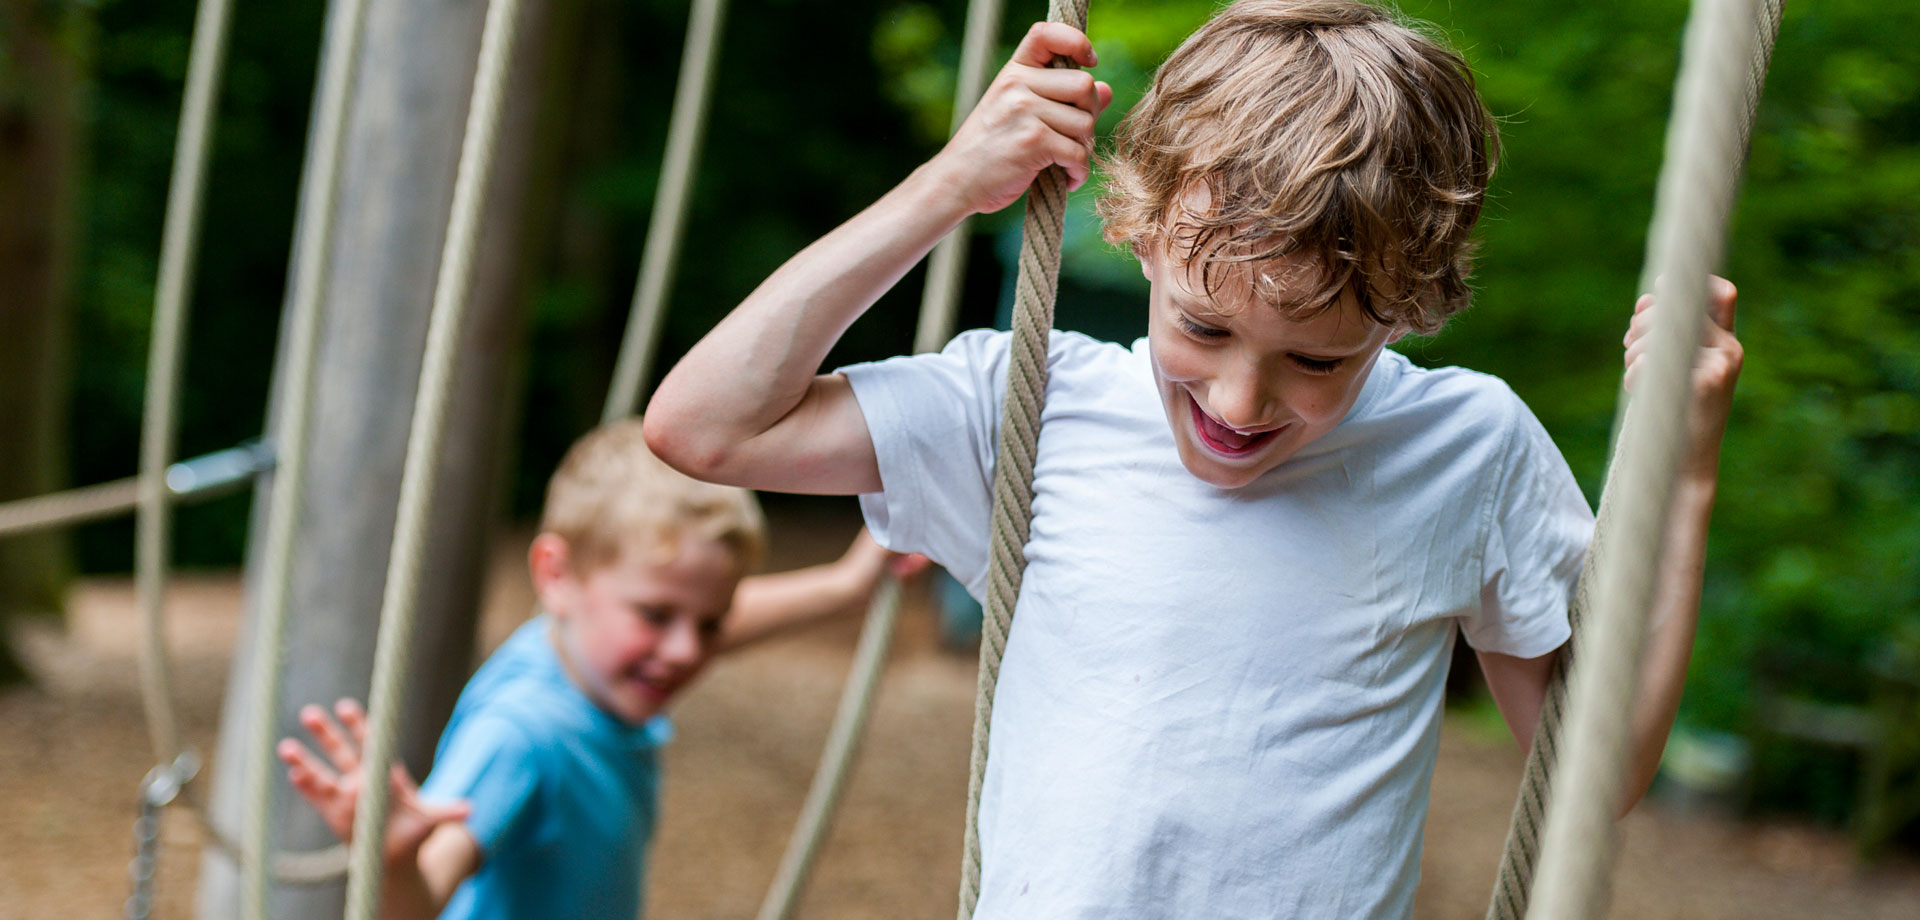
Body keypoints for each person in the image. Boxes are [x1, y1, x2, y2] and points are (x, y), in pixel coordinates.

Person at [643, 1, 1744, 917]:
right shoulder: (1034, 406)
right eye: (1204, 329)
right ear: (1141, 236)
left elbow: (1603, 766)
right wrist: (950, 186)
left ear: (1408, 308)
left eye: (1317, 358)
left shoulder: (1467, 449)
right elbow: (708, 425)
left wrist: (1684, 472)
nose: (1239, 400)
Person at [277, 419, 921, 919]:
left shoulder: (590, 648)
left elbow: (707, 618)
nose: (685, 652)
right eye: (655, 615)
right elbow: (428, 894)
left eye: (708, 623)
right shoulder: (523, 735)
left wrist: (845, 586)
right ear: (556, 576)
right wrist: (394, 863)